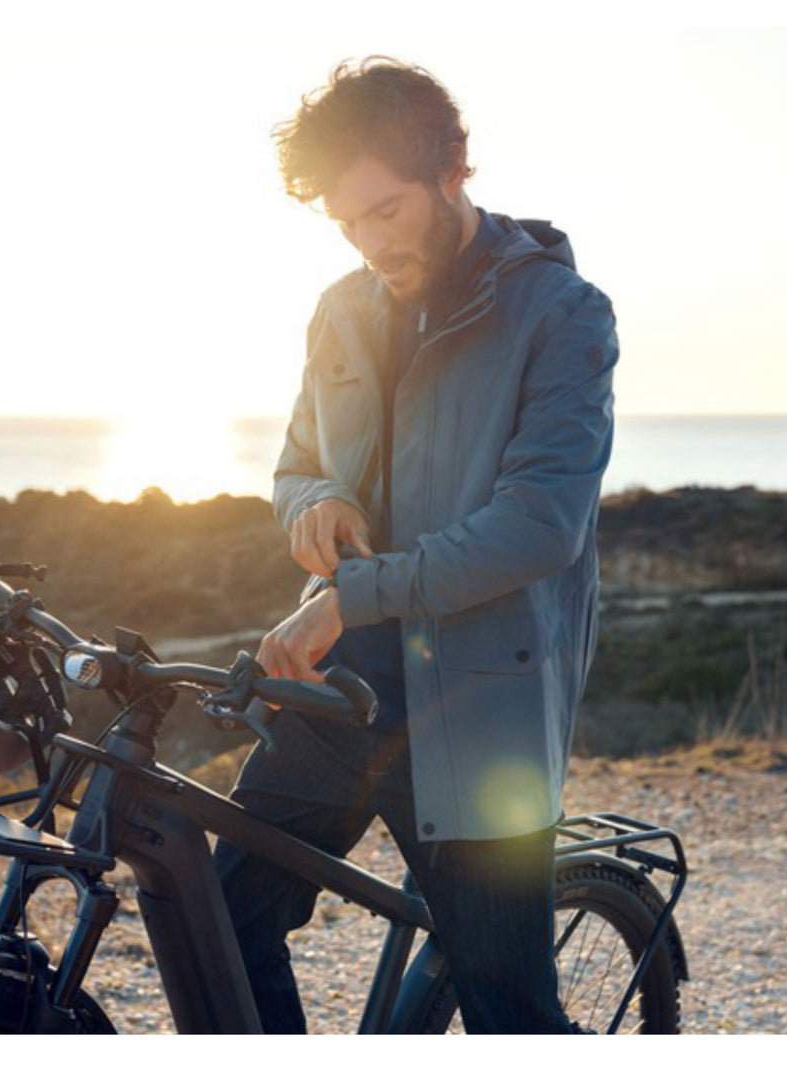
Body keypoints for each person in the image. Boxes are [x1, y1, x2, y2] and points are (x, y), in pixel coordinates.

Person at [214, 57, 618, 1033]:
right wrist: (311, 506)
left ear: (451, 171)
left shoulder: (562, 316)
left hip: (479, 705)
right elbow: (296, 463)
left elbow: (538, 526)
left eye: (385, 211)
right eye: (346, 222)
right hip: (341, 685)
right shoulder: (341, 312)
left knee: (506, 1011)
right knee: (215, 923)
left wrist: (353, 593)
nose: (368, 243)